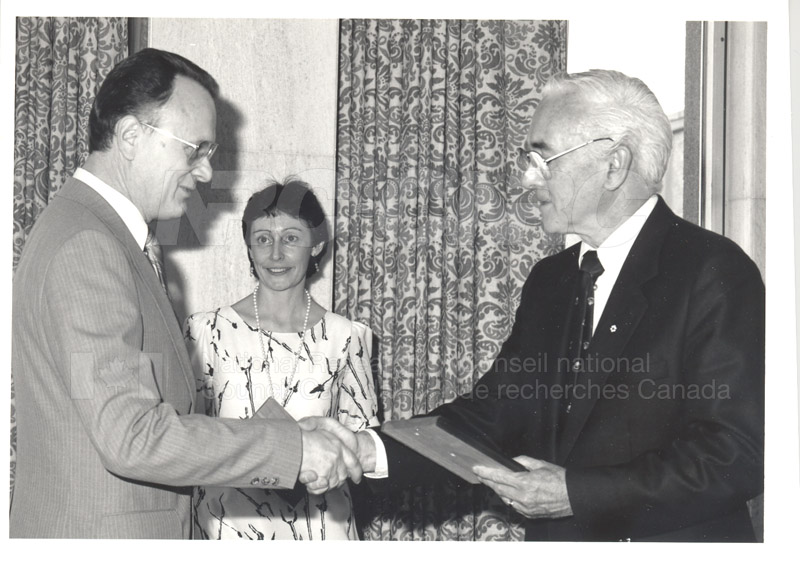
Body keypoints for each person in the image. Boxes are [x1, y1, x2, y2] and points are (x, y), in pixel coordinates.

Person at [341, 69, 765, 542]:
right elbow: (492, 414)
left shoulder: (714, 270)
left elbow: (734, 455)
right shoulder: (551, 280)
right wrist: (365, 449)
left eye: (543, 159)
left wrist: (576, 494)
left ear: (614, 165)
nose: (527, 178)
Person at [10, 48, 361, 539]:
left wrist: (288, 436)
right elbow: (130, 435)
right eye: (193, 149)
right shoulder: (87, 246)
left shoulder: (98, 234)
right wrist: (292, 452)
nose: (205, 173)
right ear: (131, 136)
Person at [185, 180, 379, 540]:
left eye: (290, 238)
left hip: (320, 532)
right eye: (262, 239)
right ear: (249, 247)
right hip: (228, 530)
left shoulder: (347, 337)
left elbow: (363, 452)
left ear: (316, 244)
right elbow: (183, 440)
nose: (275, 254)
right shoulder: (206, 332)